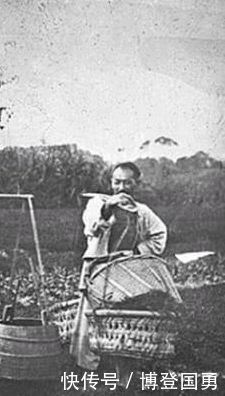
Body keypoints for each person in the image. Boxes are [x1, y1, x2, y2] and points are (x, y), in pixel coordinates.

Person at [70, 162, 168, 387]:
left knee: (123, 318)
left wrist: (136, 252)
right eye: (117, 182)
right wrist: (108, 209)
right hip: (98, 268)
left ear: (136, 184)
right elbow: (92, 227)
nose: (122, 187)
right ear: (111, 183)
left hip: (126, 272)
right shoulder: (98, 203)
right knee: (90, 316)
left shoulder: (142, 211)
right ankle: (87, 367)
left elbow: (160, 234)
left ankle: (123, 373)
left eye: (127, 183)